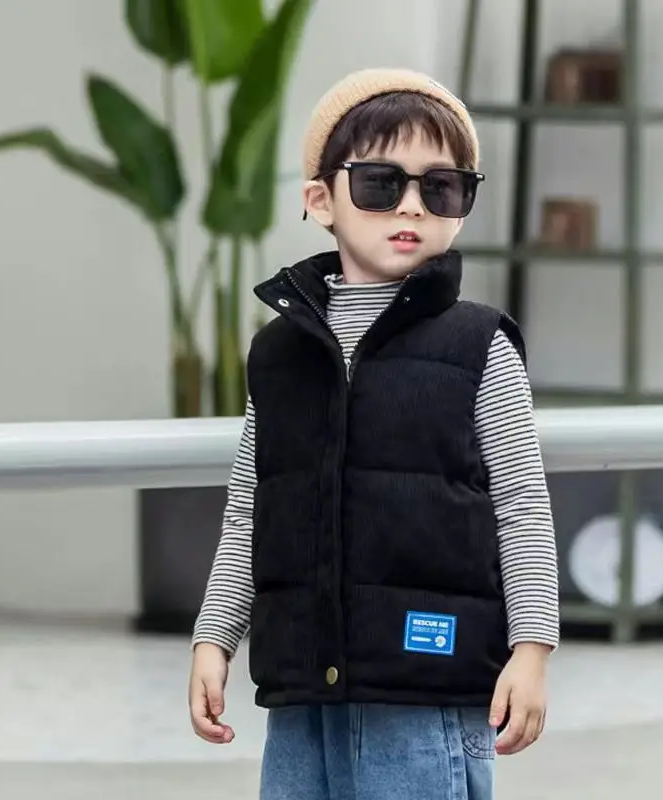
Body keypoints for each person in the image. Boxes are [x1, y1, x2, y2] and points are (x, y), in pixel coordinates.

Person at [187, 67, 560, 800]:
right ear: (321, 200)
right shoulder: (279, 353)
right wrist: (214, 636)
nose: (412, 205)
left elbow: (522, 507)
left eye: (441, 187)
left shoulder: (480, 345)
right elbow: (249, 510)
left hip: (428, 687)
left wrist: (532, 649)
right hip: (303, 689)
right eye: (381, 184)